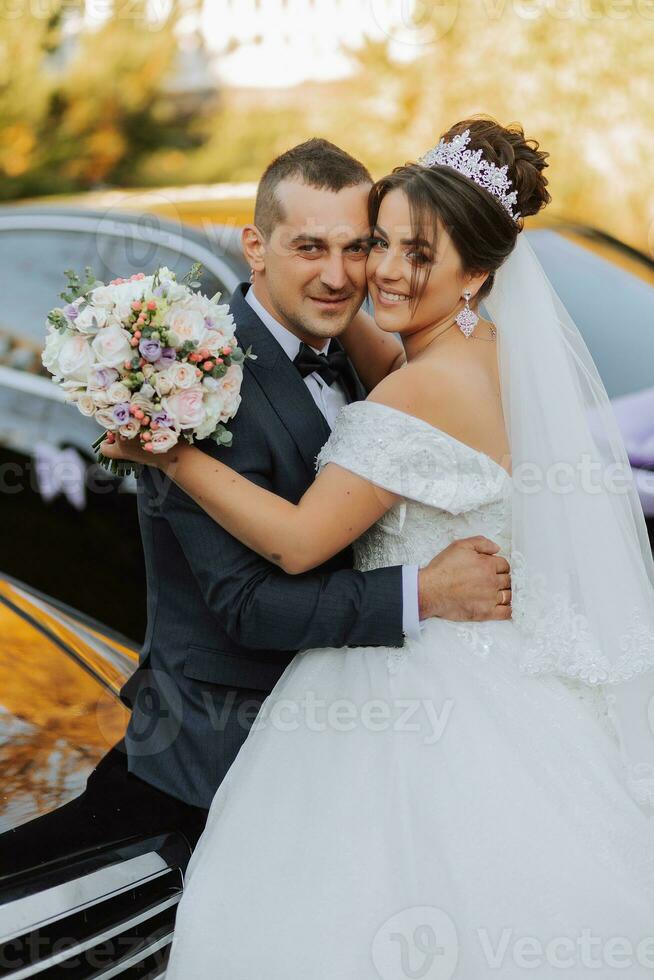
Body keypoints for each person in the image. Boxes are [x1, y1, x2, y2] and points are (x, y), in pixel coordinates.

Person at [104, 117, 654, 978]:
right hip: (498, 673)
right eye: (381, 244)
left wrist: (169, 449)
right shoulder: (479, 353)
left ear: (476, 274)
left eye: (417, 253)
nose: (383, 272)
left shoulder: (424, 389)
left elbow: (292, 546)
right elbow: (348, 335)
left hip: (417, 679)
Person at [0, 138, 509, 880]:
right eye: (309, 247)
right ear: (255, 246)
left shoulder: (380, 353)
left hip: (372, 723)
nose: (340, 276)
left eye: (357, 247)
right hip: (221, 751)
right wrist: (422, 592)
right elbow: (248, 606)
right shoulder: (193, 386)